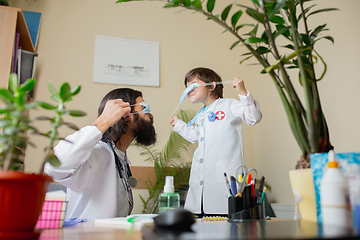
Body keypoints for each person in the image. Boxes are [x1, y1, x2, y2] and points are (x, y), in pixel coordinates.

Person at [45, 88, 156, 219]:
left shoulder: (119, 157)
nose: (151, 115)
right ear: (126, 115)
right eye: (145, 109)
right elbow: (55, 165)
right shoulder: (99, 152)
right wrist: (104, 120)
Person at [170, 67, 262, 216]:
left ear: (212, 86)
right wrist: (179, 124)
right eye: (187, 88)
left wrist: (243, 93)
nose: (188, 91)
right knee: (201, 222)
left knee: (222, 220)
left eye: (193, 85)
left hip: (224, 180)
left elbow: (253, 117)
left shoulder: (229, 105)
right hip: (201, 186)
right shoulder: (202, 114)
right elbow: (196, 136)